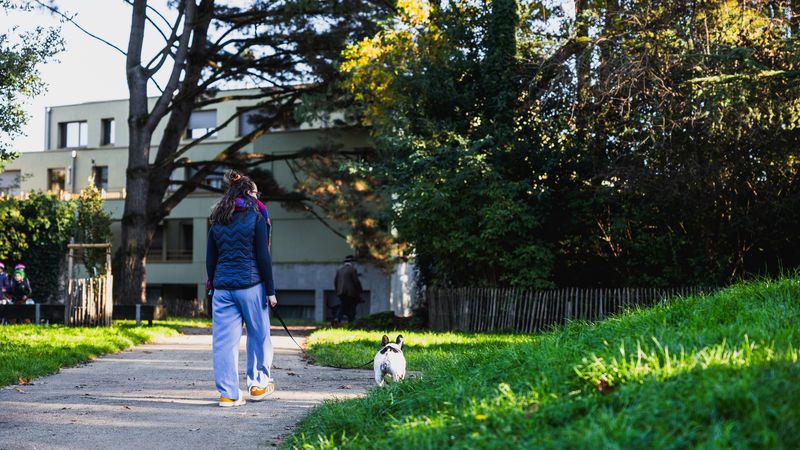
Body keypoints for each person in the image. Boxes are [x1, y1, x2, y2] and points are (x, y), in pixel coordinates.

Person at [206, 170, 278, 408]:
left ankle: (228, 394)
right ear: (249, 193)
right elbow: (262, 256)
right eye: (256, 193)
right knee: (259, 336)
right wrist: (271, 290)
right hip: (251, 285)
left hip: (222, 288)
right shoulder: (256, 216)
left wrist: (213, 285)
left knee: (224, 342)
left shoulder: (217, 218)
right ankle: (258, 385)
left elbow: (210, 259)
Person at [334, 255, 363, 323]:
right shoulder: (352, 270)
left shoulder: (339, 270)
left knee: (343, 305)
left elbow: (335, 281)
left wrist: (337, 290)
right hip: (350, 293)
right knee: (352, 307)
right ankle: (350, 321)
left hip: (341, 292)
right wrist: (360, 290)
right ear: (352, 262)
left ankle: (338, 318)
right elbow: (356, 281)